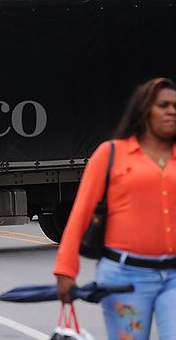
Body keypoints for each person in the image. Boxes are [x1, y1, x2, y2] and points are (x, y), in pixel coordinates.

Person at [55, 77, 176, 340]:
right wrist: (66, 270)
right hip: (125, 276)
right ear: (144, 111)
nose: (172, 111)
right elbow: (81, 213)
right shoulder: (111, 154)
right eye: (163, 105)